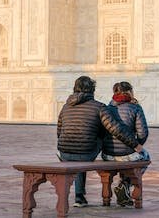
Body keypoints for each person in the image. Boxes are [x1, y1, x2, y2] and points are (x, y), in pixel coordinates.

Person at [57, 76, 143, 208]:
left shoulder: (65, 106)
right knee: (96, 137)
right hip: (86, 153)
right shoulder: (99, 107)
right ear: (92, 90)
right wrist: (135, 144)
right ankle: (123, 185)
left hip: (64, 152)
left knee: (79, 151)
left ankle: (79, 198)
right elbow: (115, 129)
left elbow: (59, 130)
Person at [102, 81, 150, 207]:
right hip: (128, 154)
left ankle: (124, 187)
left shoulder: (107, 108)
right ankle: (125, 184)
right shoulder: (135, 108)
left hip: (108, 155)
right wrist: (136, 145)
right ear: (130, 92)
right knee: (145, 156)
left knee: (131, 157)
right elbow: (143, 133)